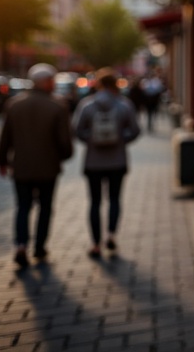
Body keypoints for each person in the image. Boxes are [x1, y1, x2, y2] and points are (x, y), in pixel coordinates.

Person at [0, 64, 73, 268]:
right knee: (45, 207)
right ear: (46, 82)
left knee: (23, 207)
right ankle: (39, 245)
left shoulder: (14, 104)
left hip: (21, 167)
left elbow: (5, 137)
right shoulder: (57, 106)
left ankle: (21, 245)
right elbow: (64, 141)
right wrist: (65, 155)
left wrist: (2, 160)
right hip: (48, 166)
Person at [73, 69, 140, 257]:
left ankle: (95, 244)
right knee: (114, 199)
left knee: (94, 202)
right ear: (115, 85)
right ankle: (111, 235)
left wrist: (92, 140)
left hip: (93, 162)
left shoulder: (86, 105)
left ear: (98, 85)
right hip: (117, 161)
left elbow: (77, 131)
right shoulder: (124, 105)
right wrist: (119, 139)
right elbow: (135, 130)